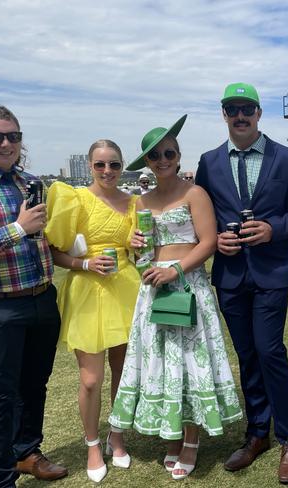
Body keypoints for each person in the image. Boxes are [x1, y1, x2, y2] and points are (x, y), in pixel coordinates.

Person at [109, 115, 242, 481]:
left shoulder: (194, 194)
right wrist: (136, 247)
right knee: (163, 363)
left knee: (189, 360)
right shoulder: (141, 201)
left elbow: (209, 242)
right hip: (153, 289)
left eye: (169, 152)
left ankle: (191, 440)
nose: (163, 159)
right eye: (155, 156)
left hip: (188, 285)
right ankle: (173, 430)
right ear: (147, 162)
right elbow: (142, 253)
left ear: (179, 156)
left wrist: (177, 270)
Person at [195, 82, 288, 484]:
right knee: (246, 354)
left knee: (269, 350)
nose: (239, 116)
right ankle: (258, 432)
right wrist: (216, 239)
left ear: (259, 112)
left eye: (247, 109)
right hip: (229, 275)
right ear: (224, 114)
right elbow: (200, 213)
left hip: (272, 272)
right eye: (231, 109)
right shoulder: (209, 162)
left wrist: (273, 229)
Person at [0, 105, 67, 487]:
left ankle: (27, 453)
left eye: (14, 136)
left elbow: (47, 236)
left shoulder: (30, 182)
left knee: (35, 384)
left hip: (40, 297)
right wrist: (17, 229)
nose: (7, 143)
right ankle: (0, 478)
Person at [44, 139, 139, 482]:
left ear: (122, 165)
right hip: (86, 291)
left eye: (114, 164)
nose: (107, 171)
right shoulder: (75, 199)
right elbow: (54, 252)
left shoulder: (134, 203)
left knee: (123, 373)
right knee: (90, 379)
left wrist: (140, 247)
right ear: (89, 165)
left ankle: (117, 435)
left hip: (126, 289)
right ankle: (93, 444)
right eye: (100, 165)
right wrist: (84, 262)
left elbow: (138, 249)